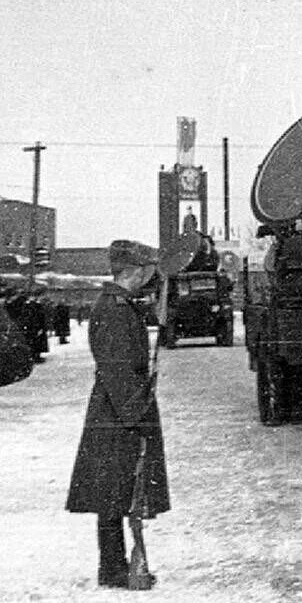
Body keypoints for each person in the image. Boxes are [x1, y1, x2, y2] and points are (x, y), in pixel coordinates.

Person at [66, 239, 169, 589]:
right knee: (113, 494)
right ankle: (112, 569)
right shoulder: (114, 309)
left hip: (116, 410)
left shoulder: (120, 305)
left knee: (115, 492)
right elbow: (118, 369)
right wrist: (137, 413)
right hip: (118, 413)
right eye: (147, 270)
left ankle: (114, 566)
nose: (150, 276)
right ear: (133, 271)